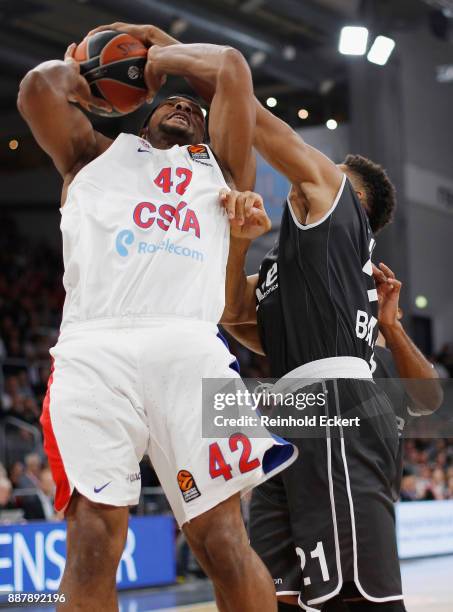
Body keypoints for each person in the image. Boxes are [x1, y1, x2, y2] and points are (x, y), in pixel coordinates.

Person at [18, 33, 296, 612]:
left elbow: (231, 68)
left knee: (221, 540)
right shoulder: (92, 154)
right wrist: (86, 70)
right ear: (139, 118)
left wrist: (153, 60)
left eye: (193, 107)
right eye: (169, 100)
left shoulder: (223, 170)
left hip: (190, 349)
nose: (182, 104)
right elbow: (38, 90)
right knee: (93, 540)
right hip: (94, 352)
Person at [222, 93, 408, 610]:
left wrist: (219, 79)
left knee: (356, 595)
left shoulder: (339, 230)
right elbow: (235, 317)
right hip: (291, 407)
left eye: (331, 170)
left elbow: (277, 138)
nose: (315, 171)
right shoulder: (295, 265)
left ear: (353, 202)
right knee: (272, 587)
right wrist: (239, 243)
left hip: (336, 407)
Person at [372, 262, 443, 501]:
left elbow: (432, 399)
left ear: (399, 312)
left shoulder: (402, 366)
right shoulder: (337, 352)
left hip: (381, 501)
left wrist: (390, 324)